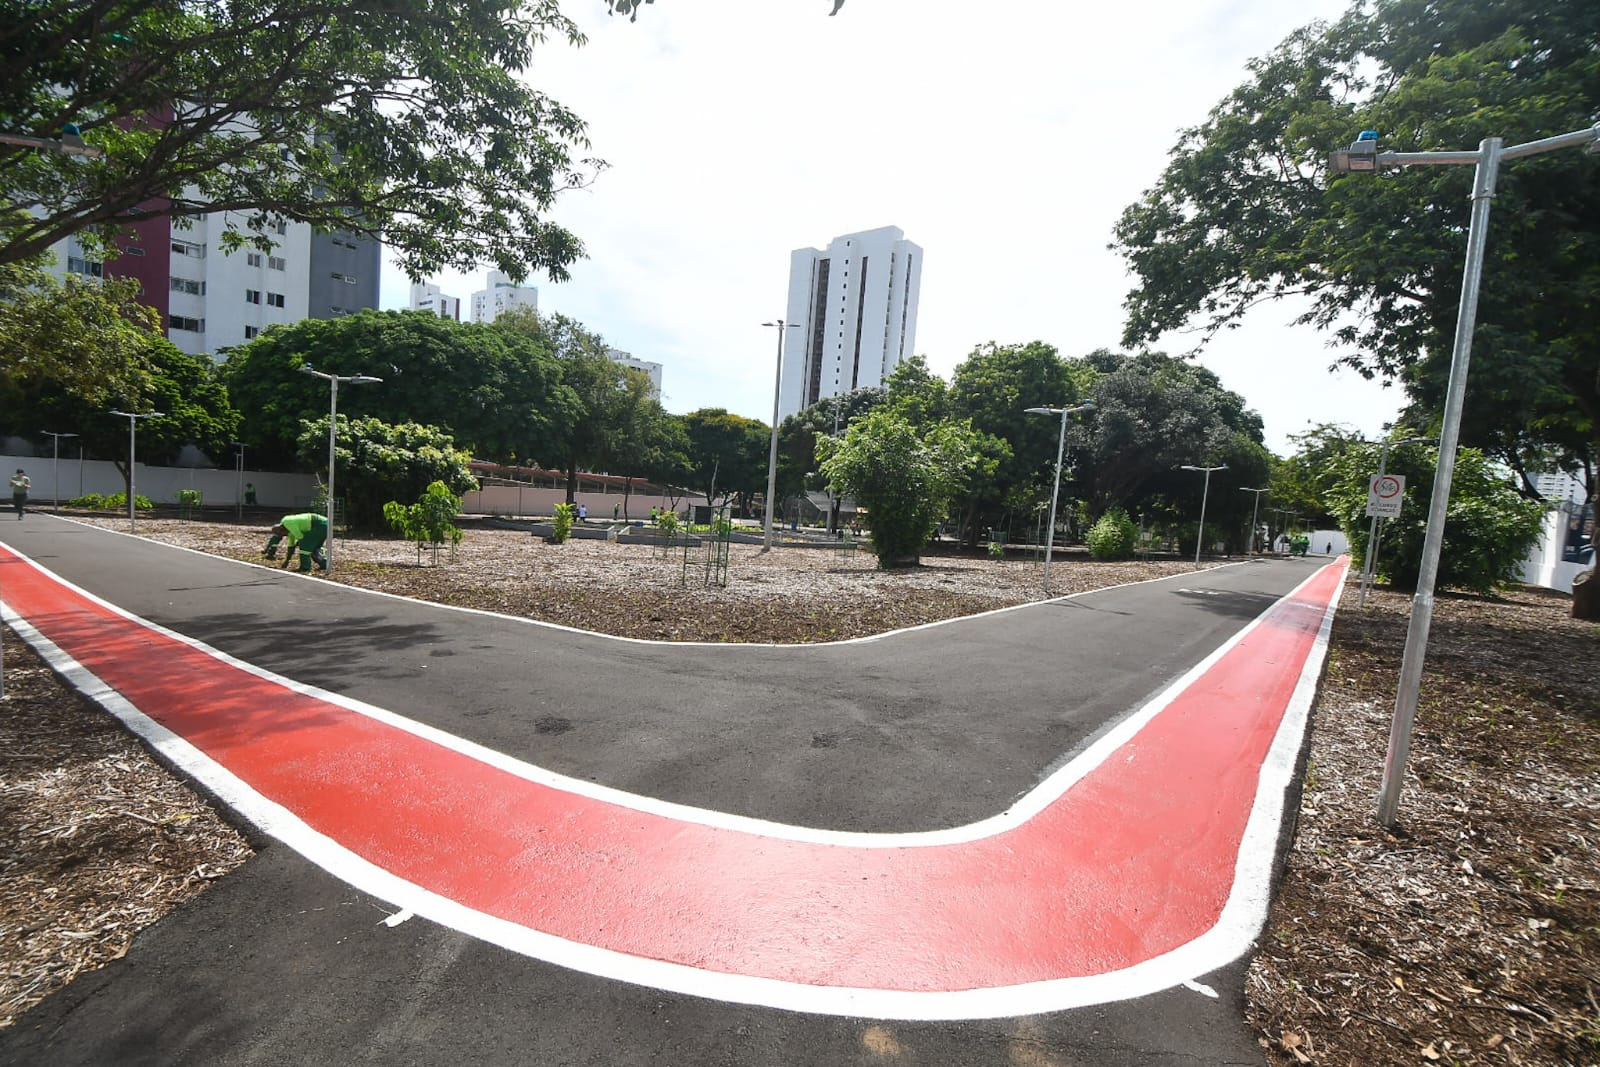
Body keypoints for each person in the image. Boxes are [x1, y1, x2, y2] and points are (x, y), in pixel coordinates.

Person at [263, 512, 329, 573]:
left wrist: (297, 544)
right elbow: (291, 545)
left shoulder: (288, 523)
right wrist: (287, 561)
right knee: (313, 548)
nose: (283, 536)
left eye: (281, 534)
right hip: (324, 524)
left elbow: (301, 538)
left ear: (281, 529)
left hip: (319, 524)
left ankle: (305, 567)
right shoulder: (288, 528)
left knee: (304, 547)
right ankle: (324, 564)